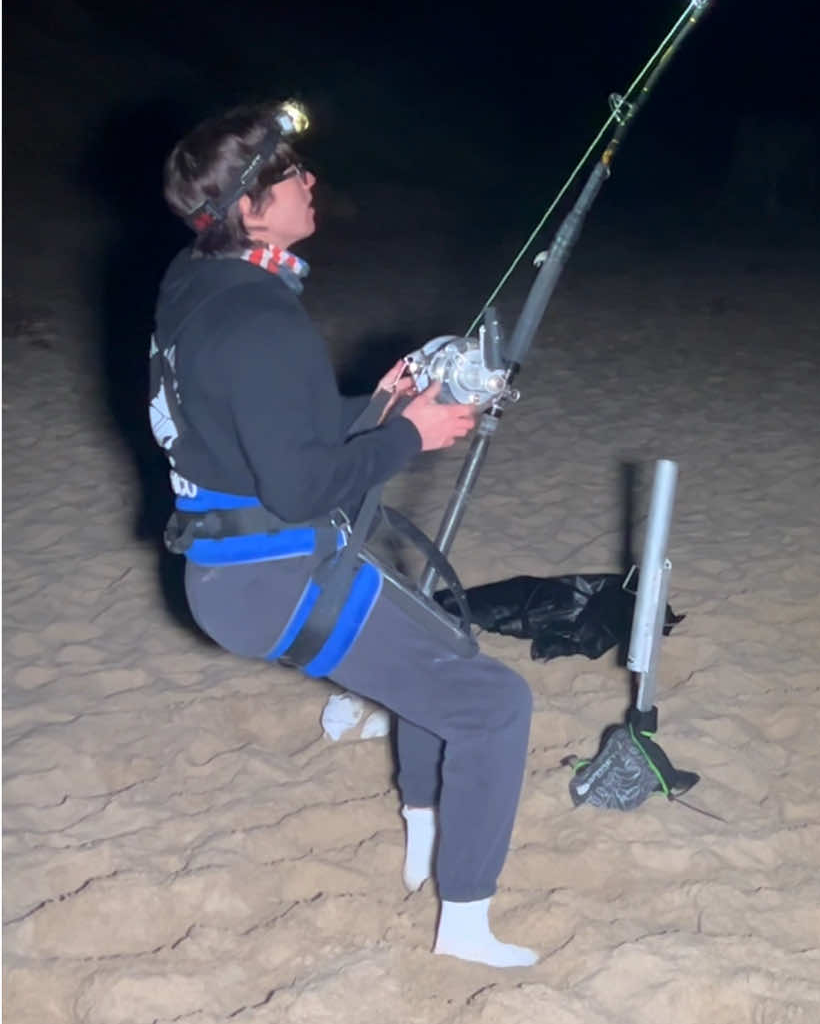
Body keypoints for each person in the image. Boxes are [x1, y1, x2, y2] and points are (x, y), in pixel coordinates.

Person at [149, 100, 538, 967]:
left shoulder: (199, 283)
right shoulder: (259, 320)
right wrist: (413, 436)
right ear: (251, 208)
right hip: (274, 573)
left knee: (445, 655)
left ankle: (424, 840)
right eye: (289, 172)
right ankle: (466, 922)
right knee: (496, 706)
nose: (308, 179)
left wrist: (386, 405)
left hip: (233, 565)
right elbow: (301, 485)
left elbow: (259, 428)